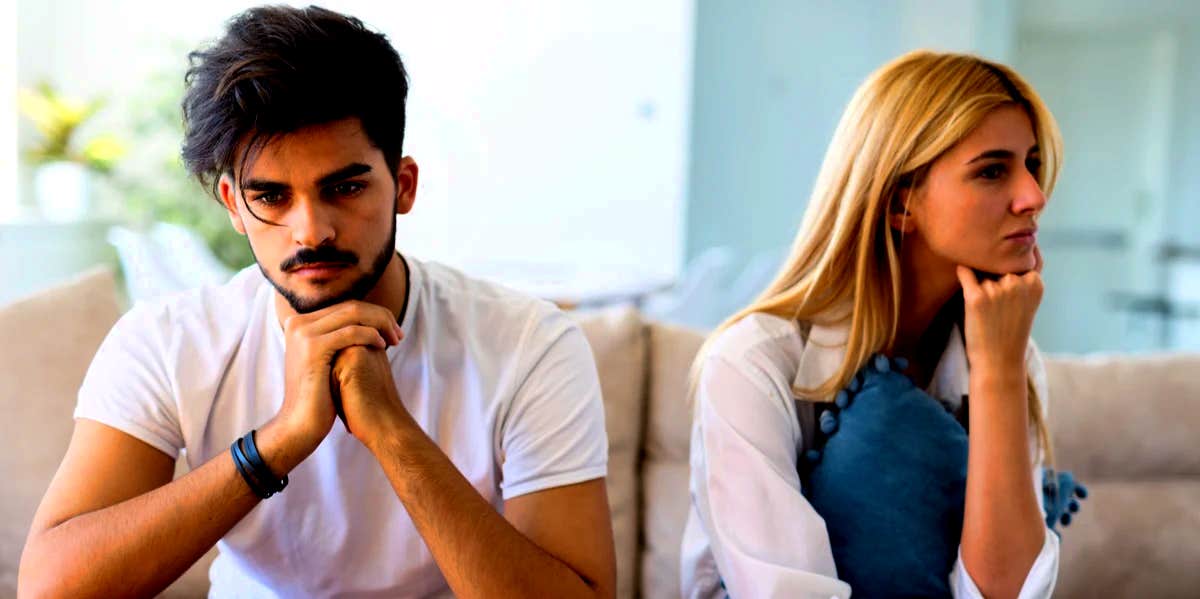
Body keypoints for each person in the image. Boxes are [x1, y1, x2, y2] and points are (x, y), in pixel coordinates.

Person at [19, 6, 615, 598]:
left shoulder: (528, 344)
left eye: (345, 187)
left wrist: (392, 434)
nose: (311, 231)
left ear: (402, 185)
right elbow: (51, 589)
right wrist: (277, 442)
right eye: (271, 197)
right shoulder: (169, 341)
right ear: (232, 204)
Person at [680, 50, 1064, 598]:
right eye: (992, 170)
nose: (1033, 197)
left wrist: (999, 376)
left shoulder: (1010, 355)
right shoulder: (751, 363)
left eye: (1033, 165)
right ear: (899, 204)